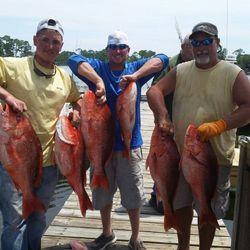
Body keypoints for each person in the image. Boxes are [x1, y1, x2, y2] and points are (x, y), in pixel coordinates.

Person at [146, 22, 250, 250]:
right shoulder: (182, 70)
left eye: (206, 42)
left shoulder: (233, 73)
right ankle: (182, 247)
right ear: (190, 46)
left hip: (216, 159)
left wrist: (220, 125)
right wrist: (163, 116)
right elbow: (154, 91)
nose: (201, 47)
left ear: (217, 43)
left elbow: (248, 107)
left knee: (208, 208)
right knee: (180, 204)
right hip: (183, 155)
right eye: (196, 43)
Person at [68, 30, 169, 250]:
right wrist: (97, 81)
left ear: (128, 50)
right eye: (113, 47)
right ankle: (107, 233)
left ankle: (135, 237)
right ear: (107, 50)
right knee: (103, 192)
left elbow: (162, 58)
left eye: (122, 47)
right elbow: (73, 59)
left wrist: (135, 76)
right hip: (99, 145)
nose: (117, 51)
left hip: (129, 146)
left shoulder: (135, 70)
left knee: (132, 192)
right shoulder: (98, 67)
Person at [0, 18, 81, 250]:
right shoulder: (13, 65)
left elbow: (77, 100)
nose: (50, 46)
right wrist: (8, 97)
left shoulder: (64, 77)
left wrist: (76, 111)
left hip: (49, 163)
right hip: (13, 161)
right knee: (14, 222)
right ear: (35, 40)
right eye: (45, 40)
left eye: (56, 42)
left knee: (38, 217)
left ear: (62, 46)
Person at [149, 34, 194, 214]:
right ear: (183, 47)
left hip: (187, 123)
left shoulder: (198, 65)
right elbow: (154, 89)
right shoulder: (172, 65)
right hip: (168, 123)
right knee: (163, 160)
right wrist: (162, 116)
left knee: (175, 162)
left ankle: (176, 196)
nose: (196, 49)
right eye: (192, 45)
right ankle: (158, 197)